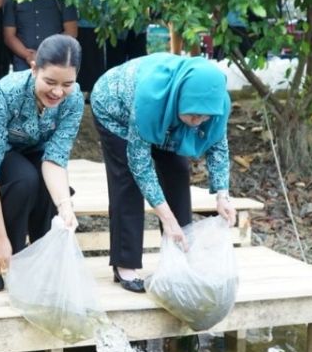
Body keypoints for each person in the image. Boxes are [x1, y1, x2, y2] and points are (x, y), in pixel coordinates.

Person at [90, 53, 238, 292]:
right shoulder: (150, 99)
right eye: (193, 114)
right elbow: (140, 164)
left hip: (167, 115)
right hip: (115, 108)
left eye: (203, 116)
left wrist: (223, 195)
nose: (197, 121)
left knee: (178, 171)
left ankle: (180, 254)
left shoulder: (215, 102)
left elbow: (218, 145)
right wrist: (166, 217)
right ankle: (124, 264)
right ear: (181, 98)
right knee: (128, 179)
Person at [0, 34, 84, 291]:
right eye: (50, 81)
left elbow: (55, 159)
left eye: (67, 83)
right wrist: (1, 240)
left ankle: (39, 257)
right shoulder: (7, 91)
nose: (58, 91)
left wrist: (66, 206)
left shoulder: (73, 99)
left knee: (53, 191)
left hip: (35, 144)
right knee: (24, 180)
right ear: (34, 67)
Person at [2, 0, 78, 71]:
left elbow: (72, 32)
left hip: (56, 59)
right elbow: (9, 36)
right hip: (23, 60)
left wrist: (45, 54)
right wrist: (29, 56)